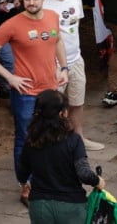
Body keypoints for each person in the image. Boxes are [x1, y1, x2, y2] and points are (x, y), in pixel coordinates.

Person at [0, 0, 69, 197]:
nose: (31, 2)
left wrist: (62, 67)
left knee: (51, 134)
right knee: (25, 138)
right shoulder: (12, 24)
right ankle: (25, 183)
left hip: (50, 91)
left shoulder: (53, 17)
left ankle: (46, 177)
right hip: (25, 93)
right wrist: (10, 77)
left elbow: (57, 42)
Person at [42, 0, 104, 151]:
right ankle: (53, 143)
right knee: (52, 107)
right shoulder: (42, 1)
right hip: (52, 64)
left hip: (76, 59)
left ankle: (79, 139)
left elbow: (74, 27)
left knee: (77, 102)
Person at [17, 90, 104, 221]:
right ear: (61, 114)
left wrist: (24, 184)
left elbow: (22, 169)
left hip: (40, 206)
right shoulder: (74, 140)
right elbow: (83, 173)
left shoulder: (31, 141)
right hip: (71, 206)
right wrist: (97, 181)